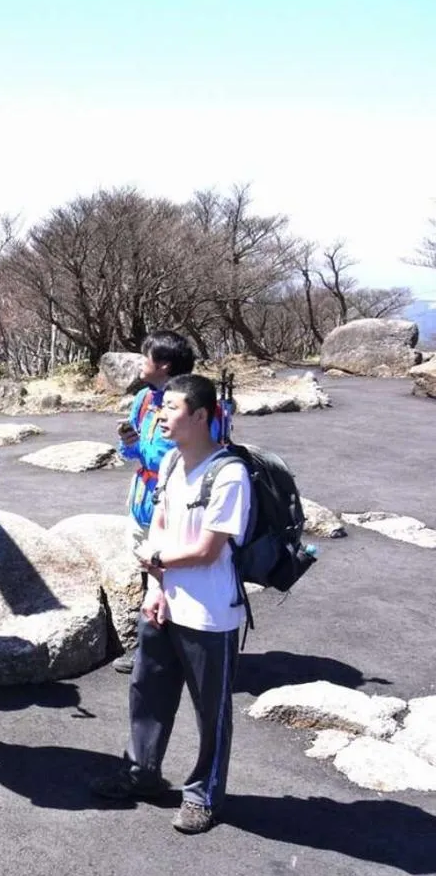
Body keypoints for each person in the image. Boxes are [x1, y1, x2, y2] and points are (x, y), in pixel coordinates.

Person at [89, 374, 251, 835]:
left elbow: (207, 551)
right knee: (148, 692)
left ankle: (203, 794)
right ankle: (142, 772)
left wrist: (154, 558)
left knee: (210, 710)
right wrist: (156, 587)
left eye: (172, 407)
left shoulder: (229, 474)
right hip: (165, 600)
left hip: (210, 612)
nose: (161, 415)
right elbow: (159, 522)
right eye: (162, 407)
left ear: (201, 416)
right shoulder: (171, 465)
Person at [114, 331, 198, 674]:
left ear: (163, 365)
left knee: (164, 576)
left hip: (172, 501)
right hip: (142, 499)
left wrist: (144, 453)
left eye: (144, 357)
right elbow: (137, 451)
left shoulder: (188, 403)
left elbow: (185, 454)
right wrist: (128, 442)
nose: (139, 363)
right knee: (149, 572)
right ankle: (156, 647)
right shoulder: (144, 399)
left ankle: (157, 652)